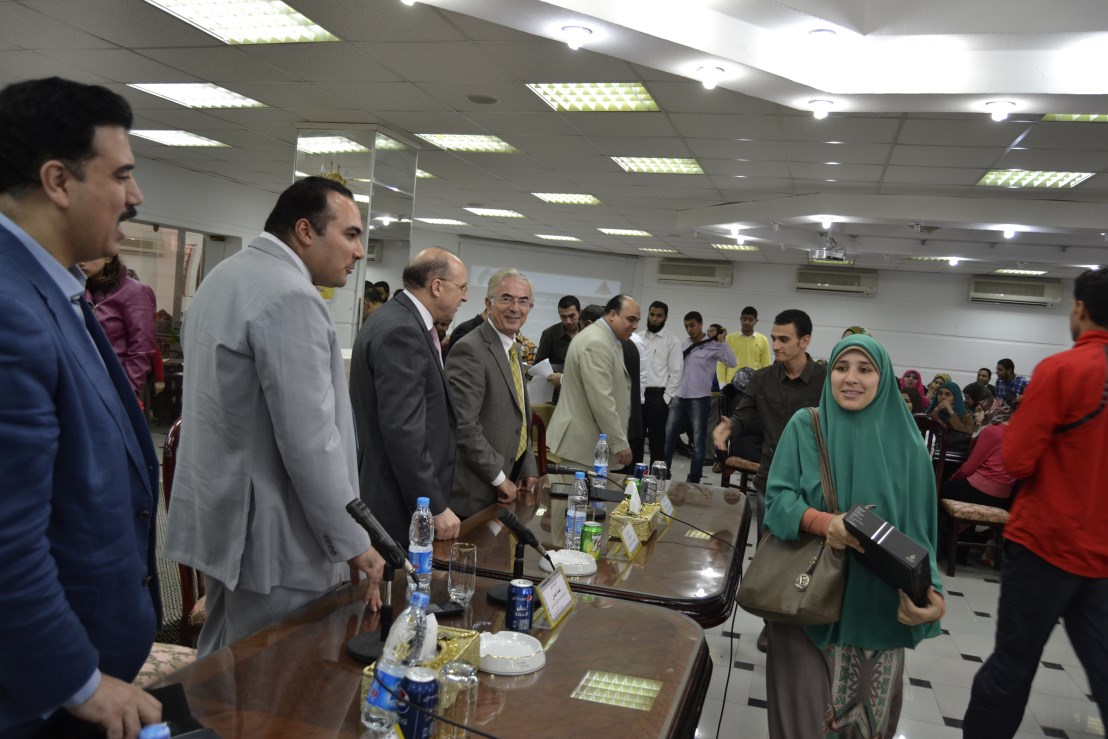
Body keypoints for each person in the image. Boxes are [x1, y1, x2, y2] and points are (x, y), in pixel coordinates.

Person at [0, 76, 162, 738]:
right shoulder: (10, 308)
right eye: (121, 175)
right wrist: (78, 679)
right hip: (39, 693)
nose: (136, 196)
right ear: (58, 181)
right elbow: (7, 537)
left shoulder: (54, 288)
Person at [165, 177, 385, 657]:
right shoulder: (292, 296)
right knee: (273, 678)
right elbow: (310, 443)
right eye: (350, 234)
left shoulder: (224, 276)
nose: (359, 251)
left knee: (221, 664)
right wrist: (353, 541)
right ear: (305, 231)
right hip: (275, 536)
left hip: (225, 516)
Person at [763, 334, 945, 738]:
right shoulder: (806, 427)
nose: (851, 378)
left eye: (865, 369)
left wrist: (932, 596)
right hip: (807, 604)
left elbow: (922, 539)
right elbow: (777, 503)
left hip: (879, 612)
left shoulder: (910, 449)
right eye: (842, 368)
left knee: (867, 728)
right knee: (804, 727)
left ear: (884, 379)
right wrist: (825, 523)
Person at [964, 268, 1108, 738]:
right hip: (1102, 557)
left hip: (1044, 545)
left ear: (1080, 308)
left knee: (1013, 665)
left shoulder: (1062, 370)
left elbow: (1018, 459)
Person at [713, 309, 826, 652]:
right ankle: (772, 626)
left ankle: (810, 620)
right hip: (772, 483)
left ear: (805, 341)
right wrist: (728, 428)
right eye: (774, 338)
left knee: (812, 557)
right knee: (772, 555)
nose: (775, 345)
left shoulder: (825, 381)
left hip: (816, 487)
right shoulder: (763, 379)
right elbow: (743, 414)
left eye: (783, 339)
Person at [350, 247, 468, 546]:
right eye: (462, 288)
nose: (465, 297)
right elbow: (404, 430)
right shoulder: (402, 331)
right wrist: (432, 505)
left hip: (394, 491)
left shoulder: (398, 319)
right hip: (395, 500)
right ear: (437, 286)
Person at [445, 268, 538, 518]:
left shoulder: (513, 347)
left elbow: (519, 416)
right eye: (506, 299)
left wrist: (527, 466)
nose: (515, 308)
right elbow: (464, 426)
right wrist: (499, 478)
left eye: (523, 301)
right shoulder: (470, 349)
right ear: (489, 303)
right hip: (475, 494)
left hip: (508, 485)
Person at [547, 295, 640, 467]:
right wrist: (619, 443)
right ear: (612, 315)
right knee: (579, 485)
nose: (635, 326)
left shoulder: (606, 338)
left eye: (637, 321)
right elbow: (601, 398)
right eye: (631, 319)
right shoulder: (597, 342)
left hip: (590, 442)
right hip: (583, 444)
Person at [665, 312, 735, 483]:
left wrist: (723, 342)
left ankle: (694, 478)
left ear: (701, 324)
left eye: (692, 325)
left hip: (700, 398)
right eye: (686, 326)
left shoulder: (714, 346)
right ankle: (664, 473)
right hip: (679, 396)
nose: (689, 329)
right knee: (668, 437)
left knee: (698, 441)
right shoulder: (684, 344)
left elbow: (732, 362)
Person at [79, 255, 156, 396]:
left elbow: (142, 347)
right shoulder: (80, 289)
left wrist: (127, 392)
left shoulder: (134, 291)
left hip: (114, 386)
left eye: (89, 253)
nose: (81, 261)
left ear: (108, 257)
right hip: (82, 383)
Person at [941, 402, 1015, 509]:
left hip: (982, 489)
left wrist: (952, 479)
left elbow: (968, 469)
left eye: (980, 410)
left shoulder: (991, 430)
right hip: (1004, 497)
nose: (975, 414)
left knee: (938, 488)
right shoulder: (1015, 433)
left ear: (991, 412)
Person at [639, 300, 683, 465]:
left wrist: (666, 398)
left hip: (657, 397)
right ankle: (632, 476)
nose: (654, 318)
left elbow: (676, 372)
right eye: (652, 314)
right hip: (637, 395)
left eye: (659, 316)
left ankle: (656, 478)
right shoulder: (637, 338)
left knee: (657, 443)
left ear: (665, 318)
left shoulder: (672, 341)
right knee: (635, 440)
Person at [535, 294, 580, 396]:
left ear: (579, 313)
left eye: (572, 316)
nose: (568, 321)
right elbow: (539, 365)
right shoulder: (549, 334)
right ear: (559, 315)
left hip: (582, 390)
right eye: (563, 317)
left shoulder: (587, 332)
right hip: (556, 392)